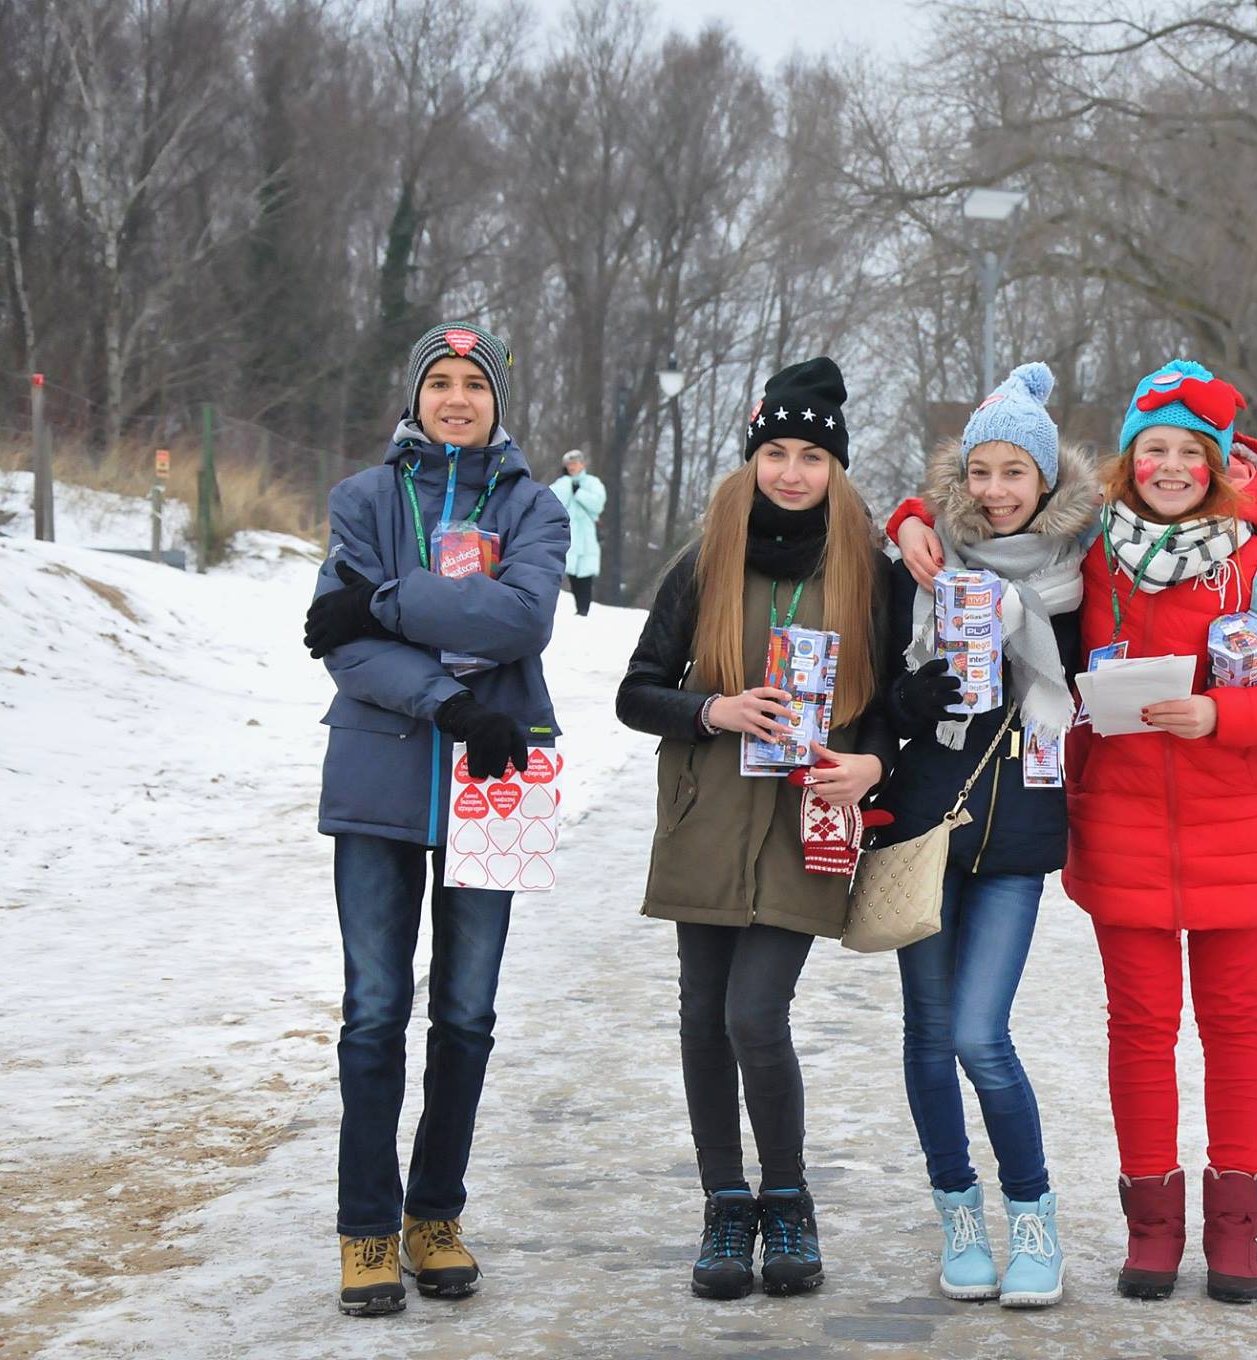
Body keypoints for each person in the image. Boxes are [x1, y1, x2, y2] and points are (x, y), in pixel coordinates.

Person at [1061, 360, 1257, 1304]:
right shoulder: (1088, 555)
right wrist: (911, 516)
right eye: (1155, 449)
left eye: (1193, 451)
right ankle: (1152, 1229)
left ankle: (1235, 1231)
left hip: (1237, 835)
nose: (1173, 467)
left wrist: (1223, 715)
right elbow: (983, 518)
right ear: (1128, 460)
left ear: (1219, 464)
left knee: (1233, 1028)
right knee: (1140, 1032)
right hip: (1120, 830)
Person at [615, 356, 896, 1302]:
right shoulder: (705, 564)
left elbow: (889, 709)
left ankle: (787, 1195)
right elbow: (636, 693)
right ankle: (725, 1203)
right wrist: (714, 710)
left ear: (836, 468)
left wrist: (874, 766)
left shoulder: (868, 572)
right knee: (704, 1014)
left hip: (807, 825)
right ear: (752, 459)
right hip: (707, 817)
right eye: (776, 452)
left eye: (812, 456)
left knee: (753, 1013)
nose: (791, 471)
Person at [302, 321, 569, 1316]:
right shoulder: (362, 500)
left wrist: (380, 600)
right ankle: (367, 1228)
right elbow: (342, 650)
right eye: (441, 381)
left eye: (475, 383)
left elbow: (520, 619)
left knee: (465, 1014)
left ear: (499, 400)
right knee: (374, 1011)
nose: (457, 398)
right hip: (381, 773)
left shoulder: (535, 507)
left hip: (495, 784)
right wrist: (450, 701)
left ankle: (434, 1215)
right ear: (414, 396)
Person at [871, 362, 1099, 1308]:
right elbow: (871, 696)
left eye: (1015, 472)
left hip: (1017, 837)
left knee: (979, 1034)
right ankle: (958, 1213)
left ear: (1046, 480)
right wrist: (908, 699)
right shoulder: (922, 566)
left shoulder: (1085, 572)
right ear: (958, 479)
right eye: (980, 472)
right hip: (924, 827)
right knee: (929, 1037)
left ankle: (1033, 1215)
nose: (997, 491)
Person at [550, 450, 607, 615]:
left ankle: (583, 610)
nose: (572, 467)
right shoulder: (562, 483)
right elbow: (551, 500)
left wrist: (579, 493)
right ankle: (577, 609)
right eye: (569, 464)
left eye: (574, 463)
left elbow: (598, 504)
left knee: (585, 575)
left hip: (587, 537)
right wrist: (566, 485)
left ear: (582, 464)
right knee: (571, 573)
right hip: (569, 536)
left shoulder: (592, 483)